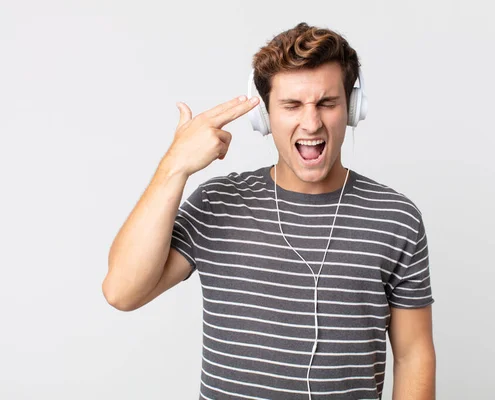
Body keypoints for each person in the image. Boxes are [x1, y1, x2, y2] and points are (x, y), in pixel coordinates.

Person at [104, 22, 435, 400]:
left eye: (327, 103)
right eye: (292, 105)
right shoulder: (217, 203)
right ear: (264, 116)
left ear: (352, 109)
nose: (311, 123)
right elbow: (121, 292)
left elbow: (413, 355)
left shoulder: (396, 218)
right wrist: (174, 166)